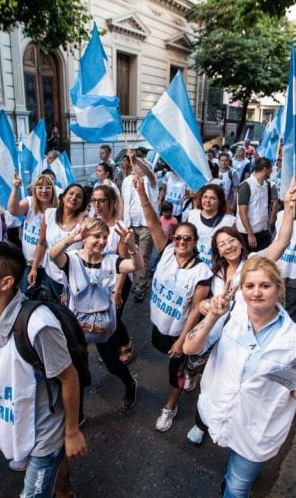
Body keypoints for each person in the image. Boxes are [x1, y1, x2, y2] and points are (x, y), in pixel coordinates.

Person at [182, 257, 296, 498]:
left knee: (236, 489)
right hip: (220, 410)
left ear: (278, 289)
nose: (256, 292)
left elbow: (294, 391)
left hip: (257, 428)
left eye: (265, 286)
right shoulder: (228, 316)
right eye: (250, 286)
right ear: (243, 289)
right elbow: (189, 348)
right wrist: (212, 317)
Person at [0, 241, 87, 497]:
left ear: (5, 283)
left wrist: (72, 432)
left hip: (44, 436)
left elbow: (69, 377)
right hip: (22, 425)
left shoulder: (38, 325)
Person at [133, 176, 212, 432]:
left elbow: (194, 310)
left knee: (174, 371)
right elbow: (152, 221)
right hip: (160, 328)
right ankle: (191, 363)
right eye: (178, 238)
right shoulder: (166, 251)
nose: (180, 242)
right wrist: (142, 192)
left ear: (195, 243)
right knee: (162, 349)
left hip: (179, 332)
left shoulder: (201, 272)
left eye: (187, 239)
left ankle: (170, 407)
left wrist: (181, 340)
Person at [49, 217, 143, 409]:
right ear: (85, 237)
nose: (102, 241)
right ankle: (78, 411)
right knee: (77, 367)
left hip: (104, 322)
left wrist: (131, 246)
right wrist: (69, 239)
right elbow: (52, 255)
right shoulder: (72, 258)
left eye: (105, 237)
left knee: (112, 364)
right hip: (76, 323)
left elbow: (137, 266)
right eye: (96, 236)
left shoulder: (111, 260)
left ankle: (129, 383)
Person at [91, 185, 135, 363]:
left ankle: (124, 342)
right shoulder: (90, 223)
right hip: (98, 280)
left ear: (111, 202)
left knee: (113, 317)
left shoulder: (119, 228)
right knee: (103, 316)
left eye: (101, 200)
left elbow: (123, 263)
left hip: (118, 280)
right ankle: (110, 345)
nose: (97, 204)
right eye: (94, 200)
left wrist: (117, 291)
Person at [32, 183, 88, 298]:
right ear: (63, 197)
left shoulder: (84, 223)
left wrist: (85, 222)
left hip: (73, 279)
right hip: (50, 277)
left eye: (79, 196)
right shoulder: (49, 214)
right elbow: (41, 243)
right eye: (71, 193)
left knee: (67, 314)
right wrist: (34, 268)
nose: (74, 198)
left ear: (82, 203)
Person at [8, 173, 58, 291]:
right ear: (34, 190)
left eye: (48, 187)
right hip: (29, 264)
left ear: (53, 190)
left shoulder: (57, 209)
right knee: (27, 297)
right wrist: (15, 188)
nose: (44, 191)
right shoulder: (30, 203)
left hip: (50, 266)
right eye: (40, 187)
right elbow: (13, 210)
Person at [120, 152, 159, 301]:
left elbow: (149, 172)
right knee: (131, 255)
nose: (137, 167)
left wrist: (137, 160)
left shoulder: (150, 180)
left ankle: (141, 286)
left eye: (140, 165)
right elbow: (124, 202)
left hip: (146, 226)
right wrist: (123, 221)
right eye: (135, 164)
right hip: (130, 225)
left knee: (143, 256)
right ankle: (132, 281)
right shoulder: (127, 180)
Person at [187, 184, 237, 265]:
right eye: (205, 197)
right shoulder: (193, 214)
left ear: (219, 201)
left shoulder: (229, 221)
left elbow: (235, 248)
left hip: (216, 267)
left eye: (212, 198)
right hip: (193, 266)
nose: (207, 201)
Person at [236, 157, 278, 251]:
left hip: (263, 232)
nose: (271, 173)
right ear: (265, 170)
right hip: (248, 234)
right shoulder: (246, 185)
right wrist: (250, 234)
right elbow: (242, 212)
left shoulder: (267, 185)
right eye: (270, 171)